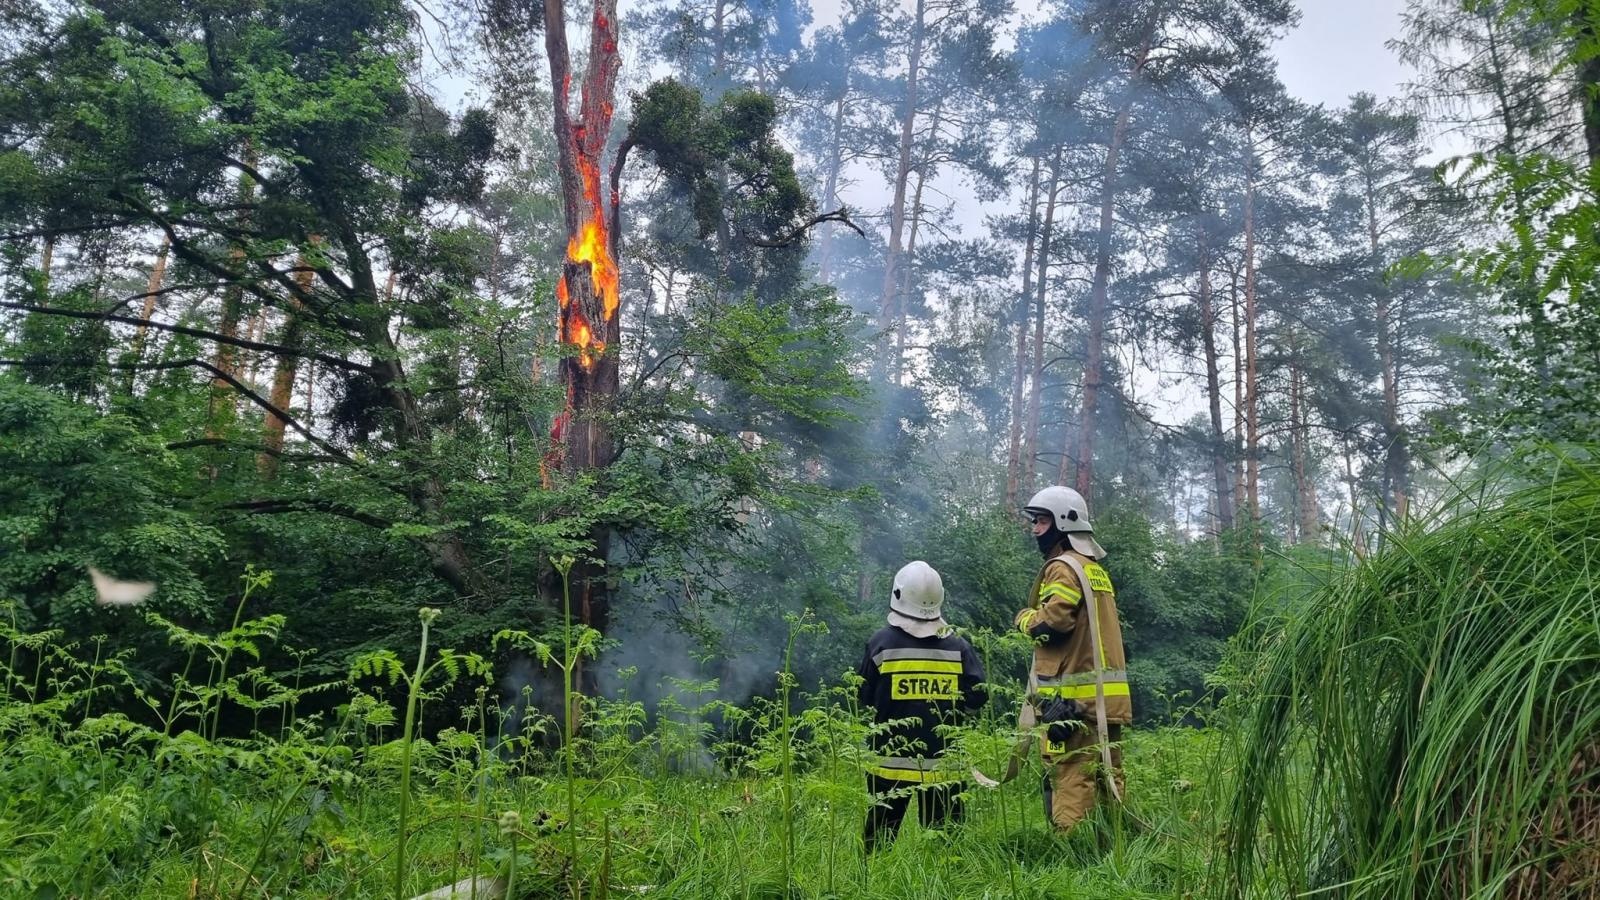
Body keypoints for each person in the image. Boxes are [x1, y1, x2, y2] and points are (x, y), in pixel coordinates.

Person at [1014, 486, 1132, 831]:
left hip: (1072, 702)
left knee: (1071, 774)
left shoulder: (1062, 567)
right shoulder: (1093, 568)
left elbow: (1054, 621)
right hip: (1103, 699)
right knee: (1107, 774)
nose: (1034, 528)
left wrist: (1023, 618)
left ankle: (1074, 856)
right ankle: (1115, 849)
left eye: (1041, 520)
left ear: (1063, 522)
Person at [856, 561, 986, 852]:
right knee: (944, 847)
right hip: (945, 764)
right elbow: (978, 696)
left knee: (878, 845)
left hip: (889, 764)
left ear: (899, 594)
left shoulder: (880, 643)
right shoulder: (958, 647)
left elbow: (861, 696)